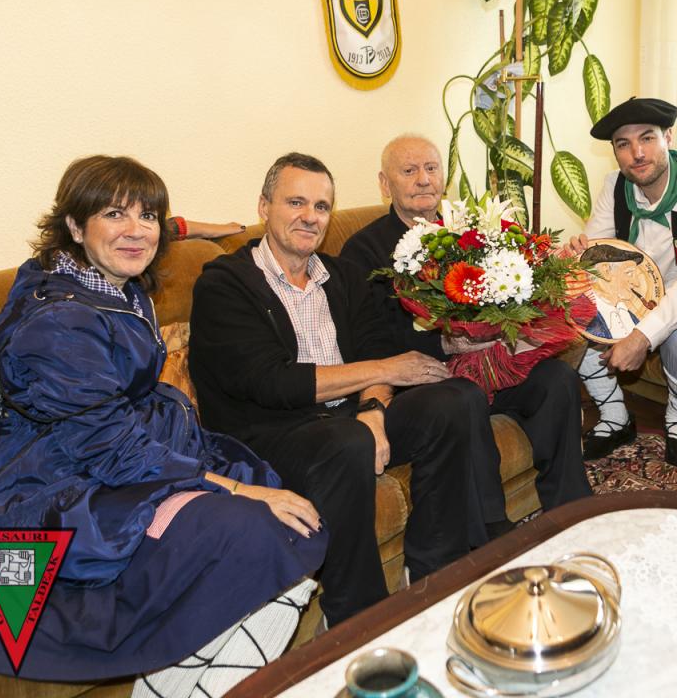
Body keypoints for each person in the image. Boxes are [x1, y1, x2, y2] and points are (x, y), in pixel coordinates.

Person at [0, 156, 326, 697]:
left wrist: (198, 227)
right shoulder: (57, 323)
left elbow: (153, 231)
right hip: (55, 490)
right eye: (114, 214)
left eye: (147, 216)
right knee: (256, 530)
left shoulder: (101, 282)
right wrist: (235, 489)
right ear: (75, 226)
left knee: (291, 528)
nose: (136, 230)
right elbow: (111, 449)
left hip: (115, 463)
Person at [188, 152, 476, 623]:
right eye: (295, 202)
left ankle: (432, 574)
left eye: (321, 206)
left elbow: (373, 348)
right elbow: (274, 381)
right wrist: (380, 379)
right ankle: (354, 617)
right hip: (267, 434)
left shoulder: (340, 276)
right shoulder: (224, 284)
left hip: (346, 420)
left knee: (454, 399)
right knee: (346, 441)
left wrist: (374, 411)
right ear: (264, 207)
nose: (310, 216)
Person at [340, 134, 592, 546]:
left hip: (491, 362)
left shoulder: (470, 233)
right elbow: (370, 337)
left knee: (556, 380)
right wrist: (445, 345)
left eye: (431, 168)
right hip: (424, 377)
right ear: (385, 184)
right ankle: (491, 531)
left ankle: (571, 508)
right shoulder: (363, 250)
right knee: (465, 396)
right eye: (409, 171)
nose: (424, 179)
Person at [562, 97, 677, 467]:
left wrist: (643, 335)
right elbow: (596, 256)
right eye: (624, 144)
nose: (637, 153)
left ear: (668, 137)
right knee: (574, 318)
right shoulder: (615, 186)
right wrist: (573, 257)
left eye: (647, 138)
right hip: (632, 296)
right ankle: (616, 417)